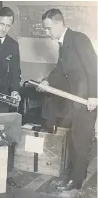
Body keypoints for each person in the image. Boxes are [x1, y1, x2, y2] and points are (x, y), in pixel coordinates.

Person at [38, 8, 97, 191]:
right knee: (74, 140)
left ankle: (77, 181)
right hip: (74, 102)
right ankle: (71, 176)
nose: (47, 33)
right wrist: (48, 80)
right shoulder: (63, 44)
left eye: (48, 29)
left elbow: (94, 67)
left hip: (86, 102)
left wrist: (94, 96)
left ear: (58, 23)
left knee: (81, 141)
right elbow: (60, 69)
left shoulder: (78, 39)